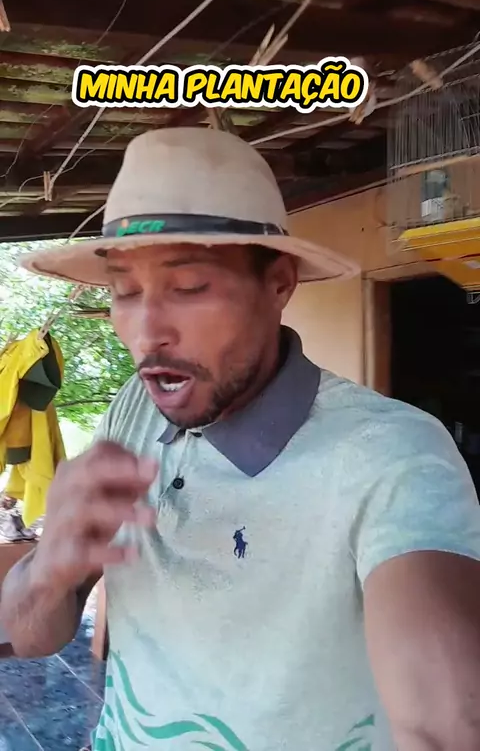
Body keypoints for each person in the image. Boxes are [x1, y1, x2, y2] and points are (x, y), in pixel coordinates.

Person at [2, 127, 480, 751]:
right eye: (124, 291)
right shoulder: (133, 411)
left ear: (278, 283)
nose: (146, 331)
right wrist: (49, 569)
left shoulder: (394, 458)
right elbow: (29, 636)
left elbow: (443, 720)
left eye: (189, 288)